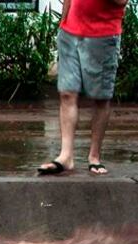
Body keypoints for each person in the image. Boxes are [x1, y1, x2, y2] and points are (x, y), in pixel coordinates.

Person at [38, 0, 128, 176]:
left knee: (100, 98)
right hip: (69, 32)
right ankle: (66, 156)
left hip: (102, 35)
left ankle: (94, 157)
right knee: (67, 93)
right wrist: (63, 21)